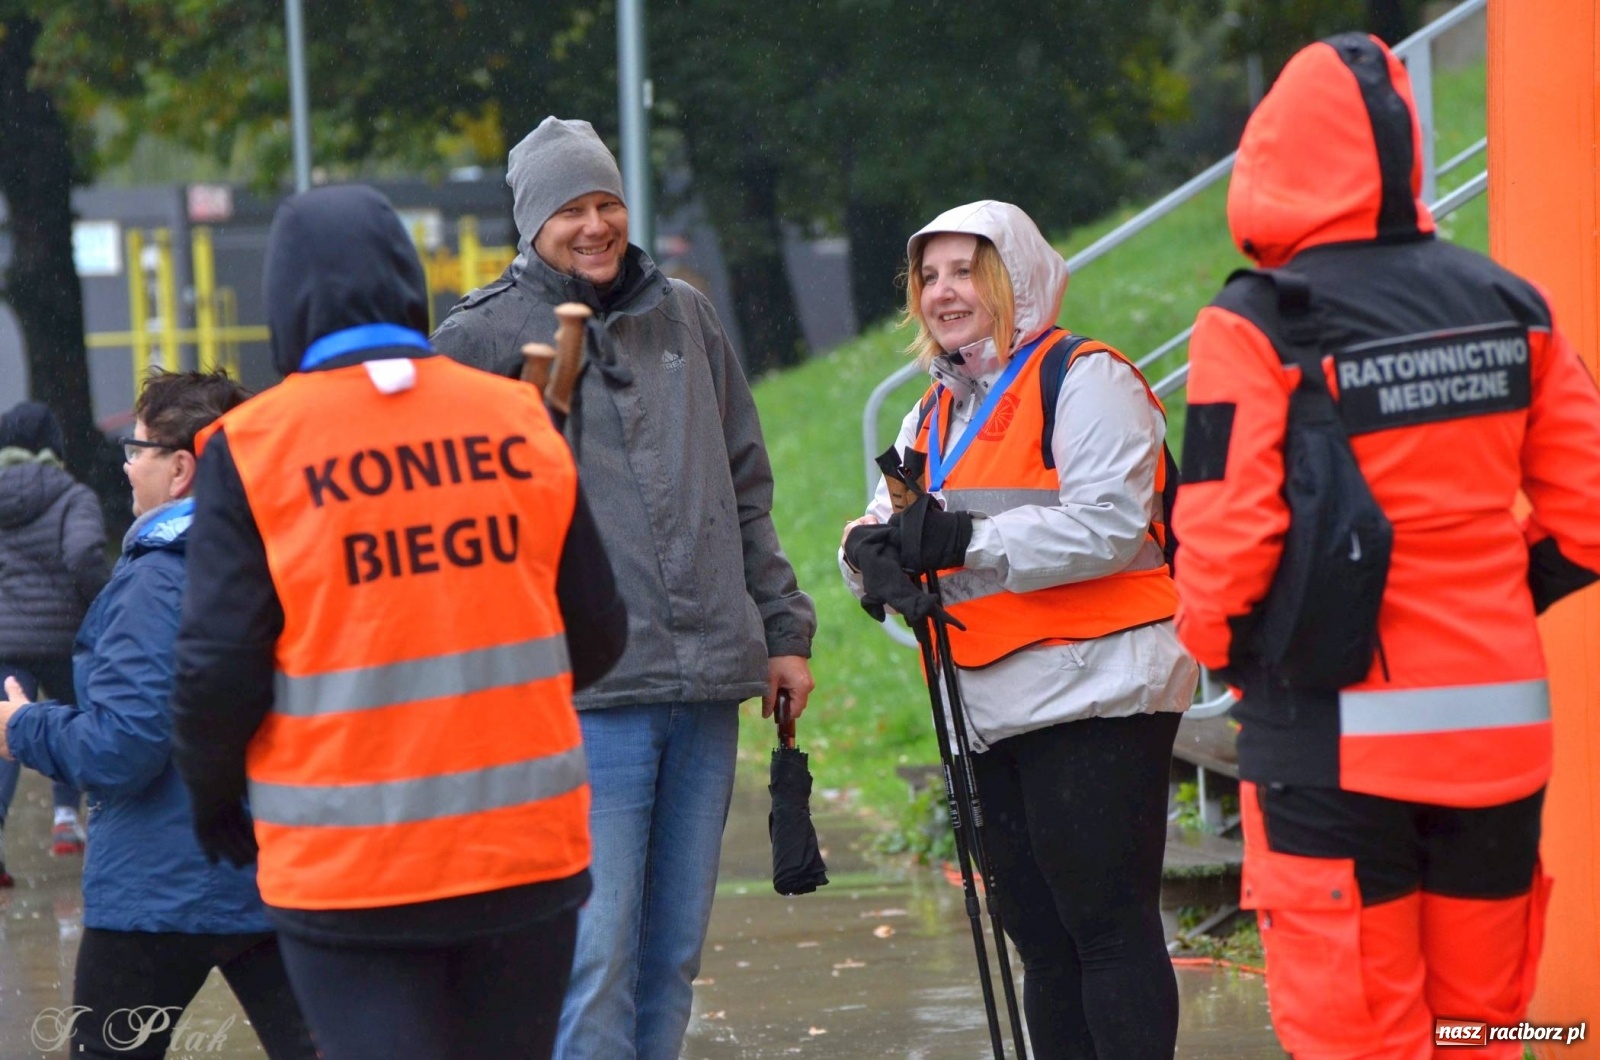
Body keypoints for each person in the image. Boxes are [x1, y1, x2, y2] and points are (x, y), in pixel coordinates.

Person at [1173, 34, 1600, 1060]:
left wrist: (1226, 650)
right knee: (1478, 1031)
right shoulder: (1510, 304)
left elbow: (1224, 545)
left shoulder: (1251, 325)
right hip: (1498, 739)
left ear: (1270, 159)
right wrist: (1497, 588)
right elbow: (1586, 514)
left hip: (1326, 740)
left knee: (1359, 1037)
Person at [169, 184, 628, 1060]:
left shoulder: (253, 447)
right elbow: (599, 635)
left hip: (351, 870)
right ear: (408, 283)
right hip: (523, 858)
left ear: (284, 300)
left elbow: (218, 667)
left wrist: (213, 791)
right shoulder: (519, 421)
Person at [431, 116, 817, 1060]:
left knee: (671, 957)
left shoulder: (687, 316)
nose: (595, 225)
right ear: (532, 225)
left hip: (707, 685)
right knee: (594, 957)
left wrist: (782, 630)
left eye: (607, 203)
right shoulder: (477, 339)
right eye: (571, 210)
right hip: (581, 699)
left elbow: (745, 485)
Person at [840, 200, 1198, 1059]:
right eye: (928, 276)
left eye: (966, 271)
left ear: (1016, 280)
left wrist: (965, 541)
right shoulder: (929, 414)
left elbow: (1110, 525)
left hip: (1097, 689)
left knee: (1105, 927)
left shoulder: (1087, 378)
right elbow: (880, 521)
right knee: (1039, 937)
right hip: (986, 701)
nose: (942, 291)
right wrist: (866, 557)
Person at [0, 371, 316, 1060]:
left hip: (158, 882)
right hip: (277, 873)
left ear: (179, 470)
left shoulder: (156, 578)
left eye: (136, 448)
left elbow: (122, 748)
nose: (125, 464)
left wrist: (22, 727)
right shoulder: (285, 563)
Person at [0, 401, 105, 874]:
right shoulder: (72, 496)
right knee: (78, 723)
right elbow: (84, 557)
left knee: (4, 731)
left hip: (5, 642)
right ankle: (67, 820)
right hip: (65, 637)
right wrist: (106, 604)